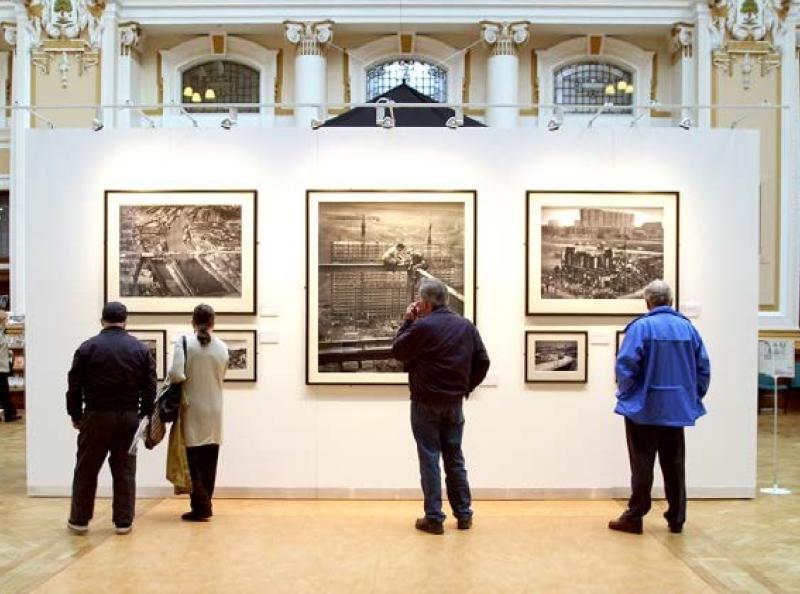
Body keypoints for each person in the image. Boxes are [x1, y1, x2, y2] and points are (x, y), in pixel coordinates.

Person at [609, 280, 711, 535]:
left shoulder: (641, 327)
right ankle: (677, 517)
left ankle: (636, 515)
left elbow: (626, 366)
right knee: (674, 463)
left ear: (648, 301)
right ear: (671, 300)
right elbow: (703, 369)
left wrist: (627, 394)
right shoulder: (688, 329)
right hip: (676, 409)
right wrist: (691, 396)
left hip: (643, 409)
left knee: (642, 464)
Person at [392, 278, 490, 535]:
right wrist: (465, 387)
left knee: (430, 459)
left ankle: (434, 518)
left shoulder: (422, 327)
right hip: (454, 404)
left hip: (425, 403)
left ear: (424, 303)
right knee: (455, 458)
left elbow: (399, 350)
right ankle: (464, 514)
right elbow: (483, 360)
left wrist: (407, 320)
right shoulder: (466, 326)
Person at [66, 302, 157, 535]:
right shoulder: (140, 349)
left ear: (102, 321)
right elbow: (149, 388)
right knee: (125, 470)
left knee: (86, 469)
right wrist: (144, 416)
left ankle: (79, 520)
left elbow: (74, 387)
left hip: (96, 415)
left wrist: (76, 416)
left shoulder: (87, 348)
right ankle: (123, 521)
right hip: (128, 416)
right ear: (126, 321)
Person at [169, 304, 228, 522]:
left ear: (192, 322)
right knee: (210, 458)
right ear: (213, 322)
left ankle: (201, 506)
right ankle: (206, 502)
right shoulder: (222, 347)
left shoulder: (184, 343)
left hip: (192, 407)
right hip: (215, 408)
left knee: (193, 458)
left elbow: (176, 375)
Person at [0, 311, 19, 422]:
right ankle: (9, 414)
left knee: (3, 391)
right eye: (6, 319)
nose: (7, 321)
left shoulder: (3, 331)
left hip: (3, 367)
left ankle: (9, 413)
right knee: (4, 391)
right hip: (0, 368)